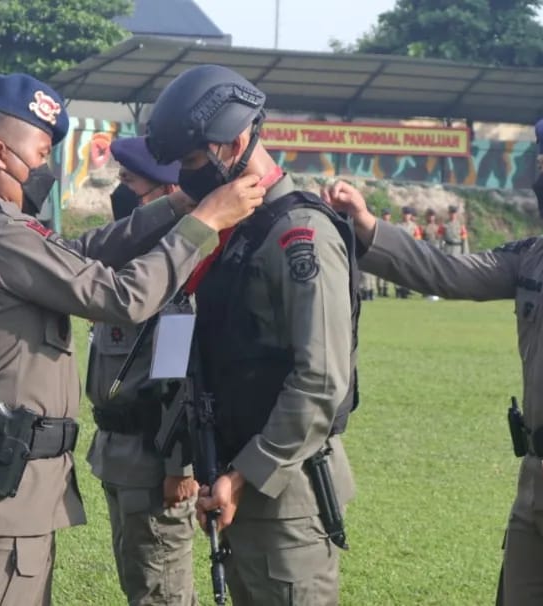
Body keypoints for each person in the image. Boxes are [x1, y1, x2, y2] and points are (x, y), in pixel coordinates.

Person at [0, 72, 265, 606]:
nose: (44, 168)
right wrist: (203, 221)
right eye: (39, 152)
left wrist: (176, 209)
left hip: (13, 493)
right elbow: (121, 296)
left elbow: (82, 254)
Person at [324, 113, 543, 606]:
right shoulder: (537, 258)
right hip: (535, 476)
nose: (540, 179)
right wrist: (370, 228)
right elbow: (448, 271)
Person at [145, 64, 359, 606]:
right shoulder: (238, 232)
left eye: (194, 161)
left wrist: (241, 477)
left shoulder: (298, 236)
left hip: (284, 494)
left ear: (235, 142)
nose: (186, 176)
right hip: (238, 479)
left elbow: (320, 381)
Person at [85, 135, 198, 606]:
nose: (120, 192)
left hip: (156, 467)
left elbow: (181, 379)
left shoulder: (178, 281)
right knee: (142, 588)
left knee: (162, 595)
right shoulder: (137, 269)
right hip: (120, 456)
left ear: (168, 195)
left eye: (129, 181)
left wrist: (181, 468)